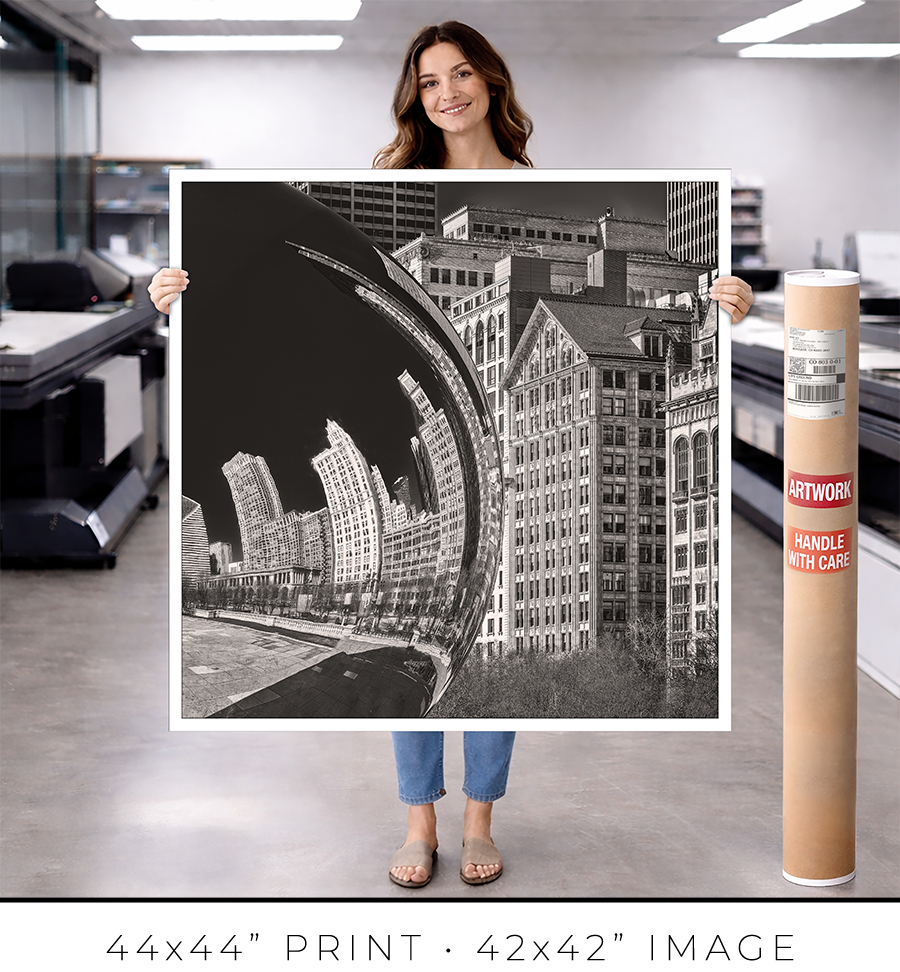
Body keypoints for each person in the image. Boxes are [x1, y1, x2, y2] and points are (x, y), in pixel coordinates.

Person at [148, 20, 753, 891]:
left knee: (487, 680)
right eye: (428, 82)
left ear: (493, 84)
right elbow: (323, 310)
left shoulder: (541, 196)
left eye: (461, 74)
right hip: (451, 450)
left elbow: (659, 288)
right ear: (415, 99)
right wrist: (176, 294)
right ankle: (418, 819)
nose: (447, 94)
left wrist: (722, 302)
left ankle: (481, 818)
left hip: (488, 461)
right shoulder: (382, 189)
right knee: (425, 677)